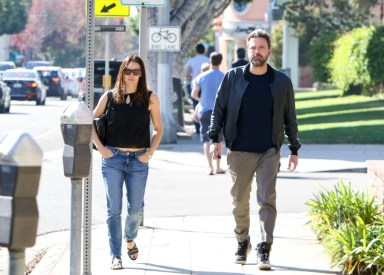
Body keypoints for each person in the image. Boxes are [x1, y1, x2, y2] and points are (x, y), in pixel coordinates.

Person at [208, 29, 301, 271]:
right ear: (247, 49)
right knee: (239, 201)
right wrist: (214, 137)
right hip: (238, 150)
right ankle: (242, 241)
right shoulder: (233, 77)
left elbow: (290, 116)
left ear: (269, 51)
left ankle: (264, 247)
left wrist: (293, 148)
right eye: (252, 47)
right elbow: (219, 109)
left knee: (267, 200)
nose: (256, 51)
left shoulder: (281, 81)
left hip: (268, 150)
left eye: (260, 47)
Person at [92, 55, 163, 270]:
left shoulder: (151, 98)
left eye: (136, 71)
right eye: (128, 71)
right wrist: (102, 149)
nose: (131, 75)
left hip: (139, 160)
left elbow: (159, 129)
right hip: (113, 159)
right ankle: (116, 255)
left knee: (136, 210)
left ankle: (129, 238)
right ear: (121, 72)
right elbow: (90, 123)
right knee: (113, 210)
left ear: (141, 75)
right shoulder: (110, 97)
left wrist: (149, 153)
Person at [191, 52, 226, 175]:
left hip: (204, 111)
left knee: (207, 140)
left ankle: (210, 167)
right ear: (220, 62)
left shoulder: (201, 77)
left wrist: (203, 100)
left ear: (210, 61)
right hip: (220, 112)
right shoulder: (224, 76)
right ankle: (218, 167)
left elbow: (194, 94)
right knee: (219, 140)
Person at [183, 43, 209, 134]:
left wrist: (191, 77)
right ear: (204, 51)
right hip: (206, 87)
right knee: (206, 106)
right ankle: (206, 126)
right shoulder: (208, 60)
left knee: (195, 107)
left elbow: (186, 74)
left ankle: (198, 128)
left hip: (194, 86)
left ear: (196, 51)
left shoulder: (191, 60)